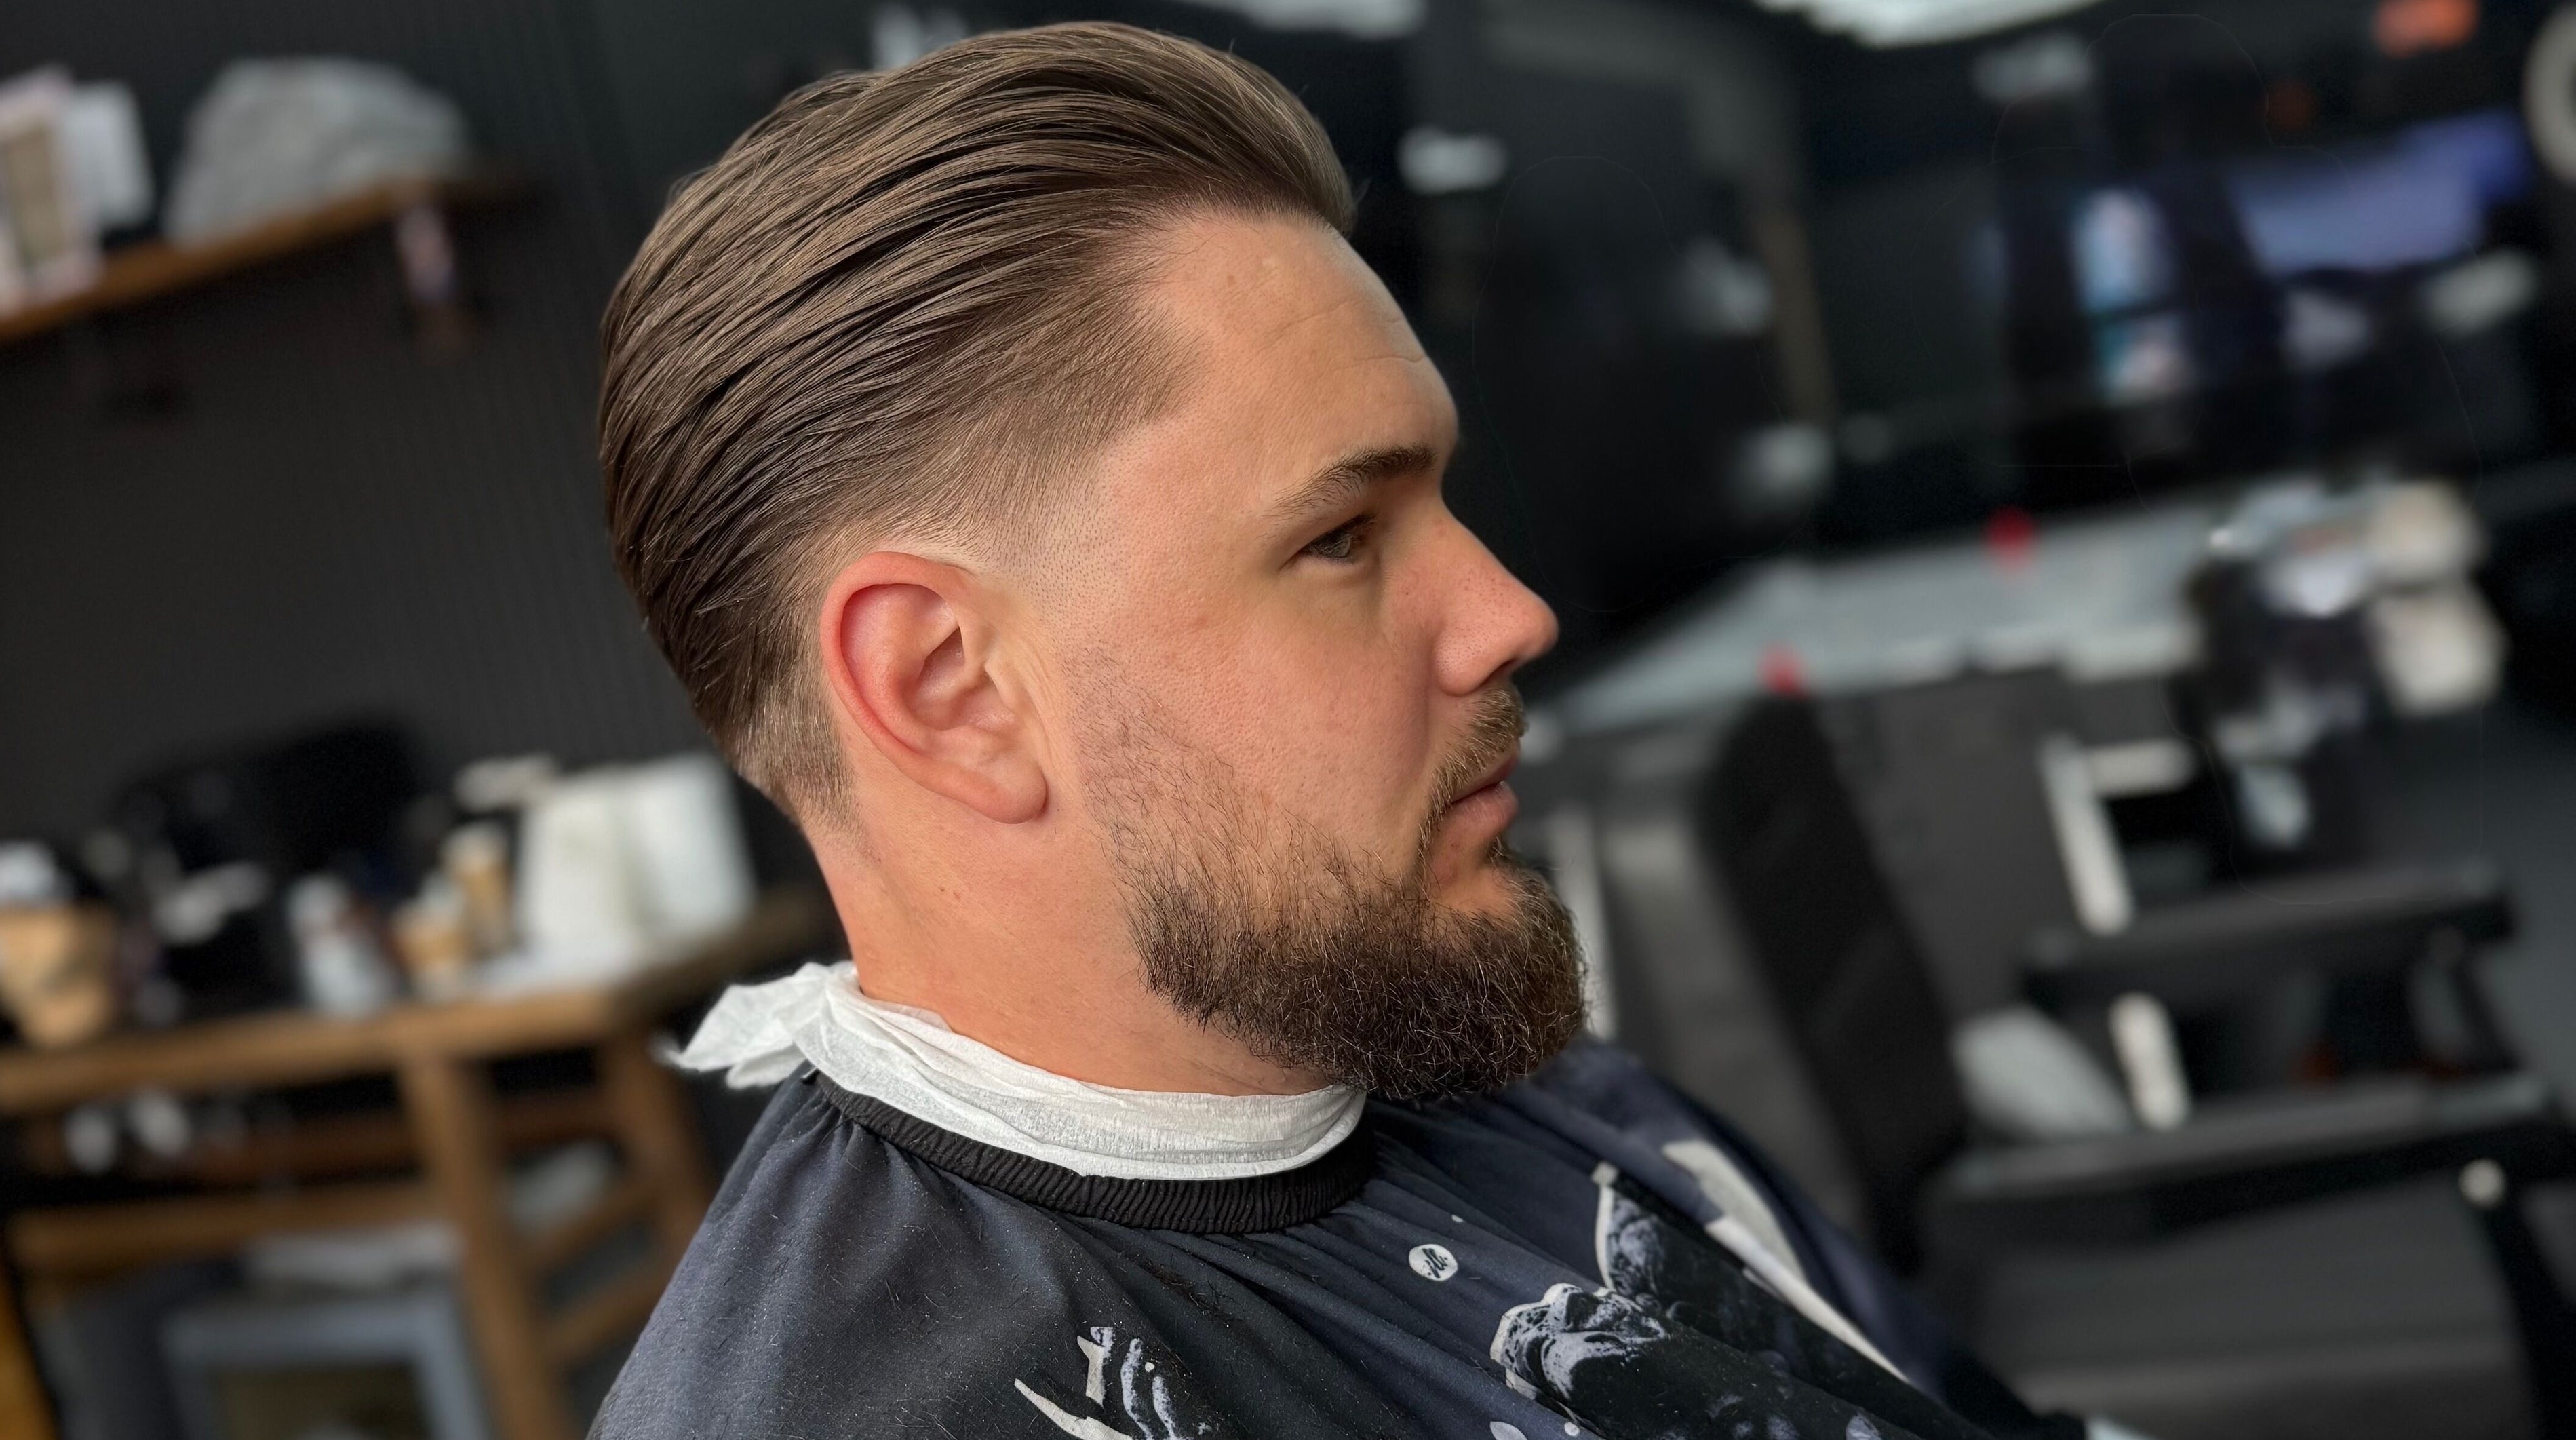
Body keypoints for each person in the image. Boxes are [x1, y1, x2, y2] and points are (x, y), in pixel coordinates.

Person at [592, 22, 2097, 1440]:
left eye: (1441, 503)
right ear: (952, 692)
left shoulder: (1444, 1040)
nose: (1509, 615)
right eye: (1339, 538)